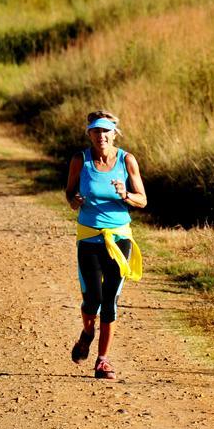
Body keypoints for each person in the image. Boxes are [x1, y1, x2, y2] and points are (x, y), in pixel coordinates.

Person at [65, 110, 147, 380]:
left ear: (114, 134)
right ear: (89, 133)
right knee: (93, 298)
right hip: (89, 235)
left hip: (119, 237)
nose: (101, 136)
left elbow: (142, 200)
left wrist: (126, 195)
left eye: (106, 131)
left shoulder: (127, 160)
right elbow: (69, 192)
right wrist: (75, 200)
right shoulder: (81, 160)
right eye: (96, 131)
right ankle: (87, 332)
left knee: (110, 299)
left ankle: (102, 361)